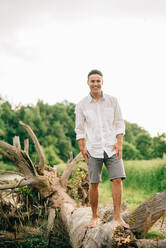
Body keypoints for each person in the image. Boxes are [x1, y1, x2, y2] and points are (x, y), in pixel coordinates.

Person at [75, 69, 129, 229]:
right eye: (92, 81)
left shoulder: (113, 101)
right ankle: (94, 217)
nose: (95, 84)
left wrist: (119, 143)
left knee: (118, 179)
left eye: (98, 81)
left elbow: (119, 122)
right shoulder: (81, 105)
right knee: (94, 182)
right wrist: (82, 147)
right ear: (88, 83)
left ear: (102, 82)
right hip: (93, 148)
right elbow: (79, 128)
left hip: (112, 147)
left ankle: (118, 217)